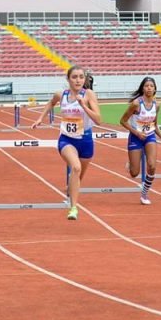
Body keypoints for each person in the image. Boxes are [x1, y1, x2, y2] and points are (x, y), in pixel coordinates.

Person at [32, 66, 101, 220]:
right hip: (67, 139)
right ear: (68, 79)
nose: (78, 80)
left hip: (86, 140)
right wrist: (40, 118)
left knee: (78, 177)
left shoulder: (89, 94)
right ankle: (73, 208)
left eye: (81, 77)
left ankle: (70, 189)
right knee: (75, 168)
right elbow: (50, 103)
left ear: (85, 79)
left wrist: (84, 105)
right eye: (74, 77)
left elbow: (98, 119)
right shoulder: (61, 94)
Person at [119, 77, 161, 205]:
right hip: (136, 137)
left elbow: (154, 124)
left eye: (151, 86)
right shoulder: (136, 104)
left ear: (155, 89)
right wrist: (136, 132)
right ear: (143, 88)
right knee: (134, 173)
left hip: (150, 136)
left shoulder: (157, 105)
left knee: (152, 166)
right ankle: (131, 163)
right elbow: (122, 121)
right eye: (146, 86)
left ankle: (144, 193)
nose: (149, 88)